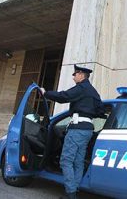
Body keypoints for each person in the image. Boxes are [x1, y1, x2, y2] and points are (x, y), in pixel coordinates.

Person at [40, 64, 105, 199]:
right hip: (87, 129)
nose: (73, 76)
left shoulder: (81, 88)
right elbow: (101, 111)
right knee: (78, 161)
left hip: (77, 129)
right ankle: (73, 191)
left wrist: (46, 93)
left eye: (75, 74)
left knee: (66, 160)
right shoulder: (94, 92)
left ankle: (70, 193)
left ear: (81, 75)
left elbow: (64, 96)